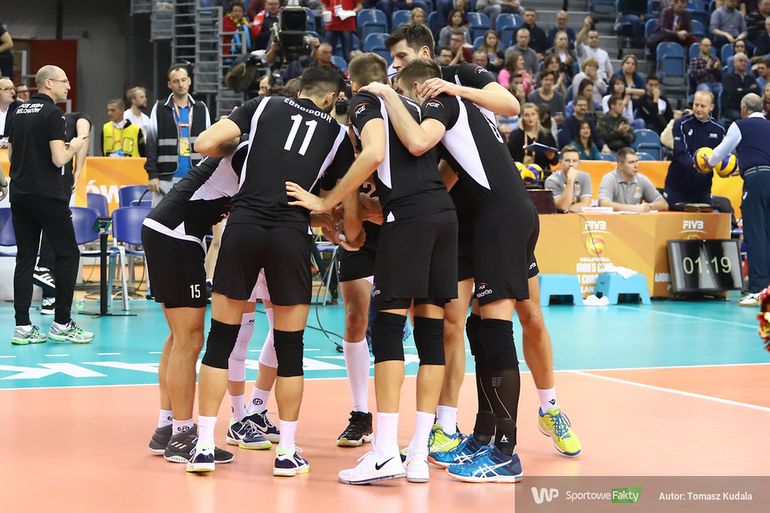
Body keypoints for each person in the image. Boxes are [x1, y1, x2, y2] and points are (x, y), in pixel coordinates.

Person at [360, 57, 577, 483]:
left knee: (497, 331)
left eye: (402, 91)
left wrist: (384, 93)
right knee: (480, 329)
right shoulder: (466, 115)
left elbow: (418, 141)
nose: (402, 103)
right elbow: (441, 179)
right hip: (496, 219)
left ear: (418, 88)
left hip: (500, 221)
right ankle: (483, 435)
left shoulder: (442, 99)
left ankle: (505, 453)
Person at [287, 54, 458, 485]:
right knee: (429, 333)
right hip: (441, 217)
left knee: (386, 331)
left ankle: (384, 453)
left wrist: (327, 202)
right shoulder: (415, 107)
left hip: (406, 220)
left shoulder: (366, 103)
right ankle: (417, 455)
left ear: (352, 85)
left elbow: (375, 154)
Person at [185, 67, 358, 476]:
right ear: (331, 98)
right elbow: (345, 203)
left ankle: (204, 445)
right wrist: (334, 219)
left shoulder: (262, 106)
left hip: (243, 225)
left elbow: (204, 142)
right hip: (290, 234)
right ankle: (288, 451)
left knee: (220, 340)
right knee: (290, 347)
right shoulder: (337, 135)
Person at [143, 139, 251, 466]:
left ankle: (167, 427)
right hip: (175, 235)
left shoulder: (247, 147)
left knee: (179, 337)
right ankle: (182, 434)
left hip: (167, 230)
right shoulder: (248, 150)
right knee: (189, 339)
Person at [5, 65, 94, 345]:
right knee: (68, 254)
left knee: (25, 258)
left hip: (20, 194)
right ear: (48, 84)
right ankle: (62, 323)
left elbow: (11, 153)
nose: (68, 86)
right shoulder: (53, 114)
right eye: (64, 81)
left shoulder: (17, 111)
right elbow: (59, 159)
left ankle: (22, 326)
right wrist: (75, 145)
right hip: (48, 195)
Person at [707, 93, 770, 307]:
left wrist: (707, 160)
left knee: (755, 234)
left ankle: (758, 290)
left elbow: (718, 155)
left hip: (756, 181)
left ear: (744, 109)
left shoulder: (740, 125)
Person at [145, 64, 211, 206]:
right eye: (176, 81)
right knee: (161, 218)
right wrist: (152, 175)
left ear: (189, 81)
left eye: (183, 80)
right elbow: (151, 143)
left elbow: (209, 143)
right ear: (169, 84)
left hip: (196, 176)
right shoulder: (159, 108)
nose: (180, 84)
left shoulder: (201, 108)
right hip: (165, 178)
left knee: (193, 218)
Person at [664, 90, 726, 206]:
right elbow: (680, 152)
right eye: (696, 105)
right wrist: (697, 165)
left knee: (706, 215)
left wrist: (726, 167)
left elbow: (722, 157)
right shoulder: (681, 124)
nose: (698, 109)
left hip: (702, 188)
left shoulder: (719, 130)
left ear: (711, 107)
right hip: (677, 185)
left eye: (703, 106)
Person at [598, 147, 669, 211]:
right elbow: (604, 204)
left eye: (637, 161)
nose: (636, 165)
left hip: (636, 220)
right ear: (620, 165)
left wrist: (648, 207)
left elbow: (664, 204)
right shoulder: (609, 178)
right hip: (614, 220)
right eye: (631, 162)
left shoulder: (642, 179)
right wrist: (634, 208)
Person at [508, 103, 559, 172]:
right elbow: (510, 156)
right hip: (520, 173)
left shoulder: (546, 134)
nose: (530, 118)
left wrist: (551, 156)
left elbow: (555, 161)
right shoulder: (516, 135)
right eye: (526, 115)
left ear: (538, 116)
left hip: (542, 173)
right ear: (522, 117)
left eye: (533, 114)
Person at [545, 146, 593, 211]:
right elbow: (562, 207)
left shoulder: (585, 177)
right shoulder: (551, 180)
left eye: (574, 161)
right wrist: (570, 180)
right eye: (567, 160)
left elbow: (586, 204)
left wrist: (568, 209)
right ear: (560, 162)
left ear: (579, 163)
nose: (571, 164)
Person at [722, 52, 761, 121]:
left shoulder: (751, 77)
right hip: (733, 108)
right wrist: (749, 89)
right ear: (734, 63)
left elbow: (757, 91)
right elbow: (732, 93)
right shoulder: (727, 77)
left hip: (749, 108)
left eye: (745, 61)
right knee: (740, 118)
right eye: (741, 61)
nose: (743, 63)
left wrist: (741, 90)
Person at [576, 17, 612, 81]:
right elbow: (578, 41)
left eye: (596, 37)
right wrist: (586, 27)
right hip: (587, 81)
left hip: (602, 81)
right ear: (587, 39)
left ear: (599, 39)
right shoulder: (583, 50)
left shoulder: (604, 53)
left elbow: (609, 71)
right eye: (591, 37)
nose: (594, 39)